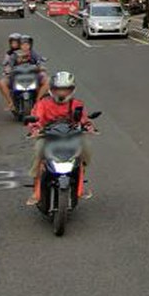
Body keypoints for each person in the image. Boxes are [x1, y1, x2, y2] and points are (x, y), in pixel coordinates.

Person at [26, 71, 93, 205]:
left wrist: (88, 126)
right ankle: (36, 188)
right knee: (39, 150)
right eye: (58, 89)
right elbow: (36, 119)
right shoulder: (43, 103)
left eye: (66, 89)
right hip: (48, 136)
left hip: (70, 136)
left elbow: (84, 119)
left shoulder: (76, 104)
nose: (62, 93)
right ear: (52, 89)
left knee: (85, 147)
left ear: (72, 90)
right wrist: (35, 128)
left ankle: (80, 178)